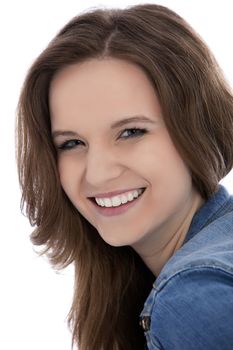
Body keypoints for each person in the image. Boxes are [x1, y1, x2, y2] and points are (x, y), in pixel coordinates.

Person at [16, 3, 233, 350]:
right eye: (72, 143)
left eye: (131, 132)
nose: (98, 173)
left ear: (197, 128)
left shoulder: (192, 299)